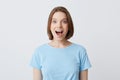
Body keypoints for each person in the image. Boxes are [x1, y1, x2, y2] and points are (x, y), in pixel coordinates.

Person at [30, 6, 91, 80]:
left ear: (69, 26)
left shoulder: (80, 51)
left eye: (64, 21)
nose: (59, 25)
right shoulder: (39, 52)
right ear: (50, 25)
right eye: (54, 21)